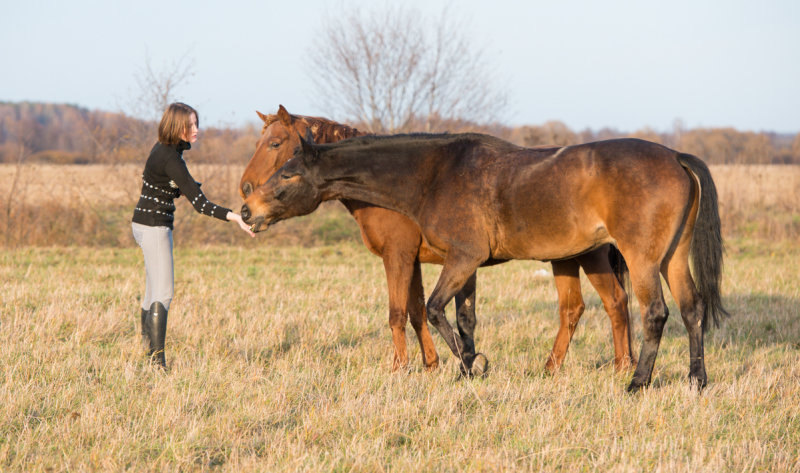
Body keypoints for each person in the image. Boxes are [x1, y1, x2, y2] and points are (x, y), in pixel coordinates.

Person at [131, 102, 254, 368]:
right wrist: (234, 217)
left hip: (142, 223)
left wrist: (182, 186)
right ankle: (156, 364)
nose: (196, 129)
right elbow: (201, 205)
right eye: (191, 125)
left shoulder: (162, 149)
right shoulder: (171, 158)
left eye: (197, 123)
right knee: (163, 294)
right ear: (178, 127)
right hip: (154, 227)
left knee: (152, 291)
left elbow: (162, 182)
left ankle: (147, 355)